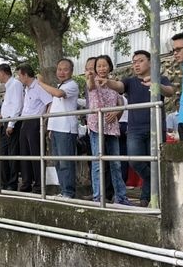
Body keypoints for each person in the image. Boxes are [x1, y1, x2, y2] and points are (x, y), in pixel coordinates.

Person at [102, 50, 174, 207]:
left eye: (140, 60)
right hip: (135, 129)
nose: (136, 64)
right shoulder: (130, 81)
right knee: (135, 161)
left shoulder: (161, 79)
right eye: (134, 61)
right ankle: (154, 180)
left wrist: (156, 85)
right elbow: (119, 86)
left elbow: (170, 92)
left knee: (155, 162)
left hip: (156, 127)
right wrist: (107, 82)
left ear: (150, 62)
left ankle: (145, 198)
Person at [86, 55, 133, 206]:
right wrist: (91, 77)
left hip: (112, 125)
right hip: (96, 124)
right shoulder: (93, 80)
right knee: (97, 162)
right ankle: (97, 196)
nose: (102, 68)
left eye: (104, 65)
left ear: (110, 66)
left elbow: (120, 102)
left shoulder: (114, 83)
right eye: (98, 66)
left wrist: (116, 112)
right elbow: (90, 86)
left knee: (116, 163)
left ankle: (121, 197)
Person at [45, 58, 79, 199]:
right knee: (58, 162)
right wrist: (49, 128)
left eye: (65, 69)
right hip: (56, 129)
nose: (62, 72)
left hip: (66, 129)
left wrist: (39, 83)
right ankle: (63, 190)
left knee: (66, 162)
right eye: (59, 69)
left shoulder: (72, 85)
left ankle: (69, 192)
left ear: (71, 71)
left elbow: (59, 94)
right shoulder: (60, 85)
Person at [16, 63, 52, 194]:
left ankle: (38, 184)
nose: (19, 78)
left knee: (35, 153)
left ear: (25, 75)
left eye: (20, 75)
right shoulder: (26, 88)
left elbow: (49, 102)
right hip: (25, 120)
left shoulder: (38, 87)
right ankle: (26, 182)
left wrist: (45, 120)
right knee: (24, 153)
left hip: (35, 121)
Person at [0, 63, 24, 190]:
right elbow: (10, 106)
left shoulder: (15, 84)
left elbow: (18, 105)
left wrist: (11, 124)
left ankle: (12, 183)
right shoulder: (9, 86)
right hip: (5, 121)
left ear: (2, 73)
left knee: (12, 153)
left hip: (12, 122)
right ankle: (4, 181)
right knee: (3, 153)